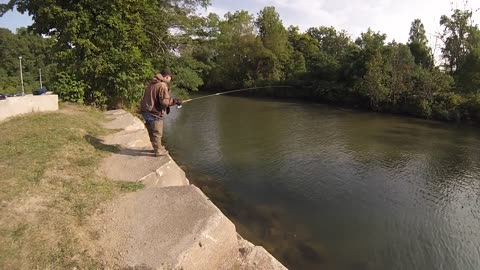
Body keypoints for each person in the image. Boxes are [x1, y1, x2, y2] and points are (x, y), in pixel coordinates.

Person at [140, 69, 182, 156]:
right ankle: (158, 150)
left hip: (145, 111)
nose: (170, 79)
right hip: (153, 112)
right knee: (157, 132)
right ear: (167, 76)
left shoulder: (152, 82)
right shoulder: (162, 85)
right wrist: (175, 101)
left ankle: (156, 147)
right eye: (170, 77)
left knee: (151, 131)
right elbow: (164, 102)